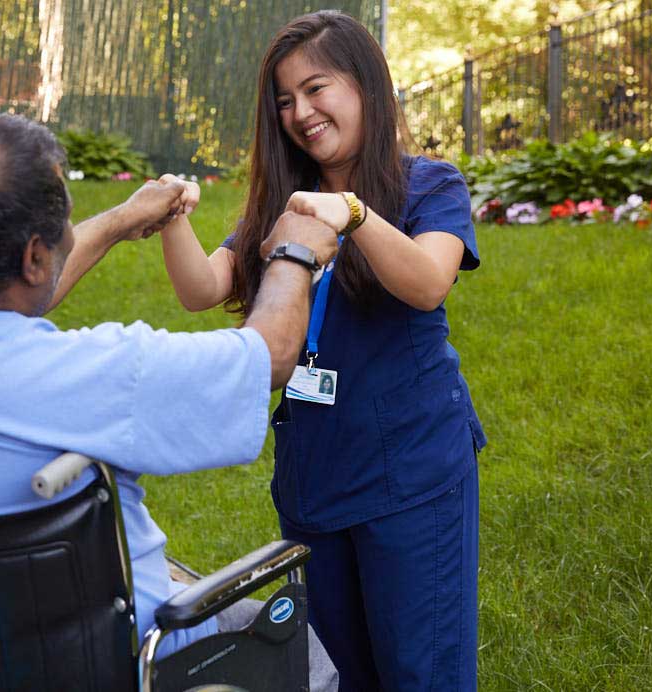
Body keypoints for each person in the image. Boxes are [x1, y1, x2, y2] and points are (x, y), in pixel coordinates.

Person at [0, 113, 339, 689]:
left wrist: (122, 220)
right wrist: (294, 254)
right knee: (311, 656)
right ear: (34, 259)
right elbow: (269, 355)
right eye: (66, 224)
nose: (74, 233)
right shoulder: (101, 376)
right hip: (127, 661)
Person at [158, 11, 487, 691]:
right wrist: (170, 218)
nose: (299, 112)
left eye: (316, 88)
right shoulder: (281, 207)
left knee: (421, 670)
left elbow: (428, 283)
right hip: (317, 476)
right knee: (339, 673)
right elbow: (203, 289)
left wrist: (356, 215)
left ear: (366, 85)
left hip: (412, 476)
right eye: (284, 99)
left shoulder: (428, 184)